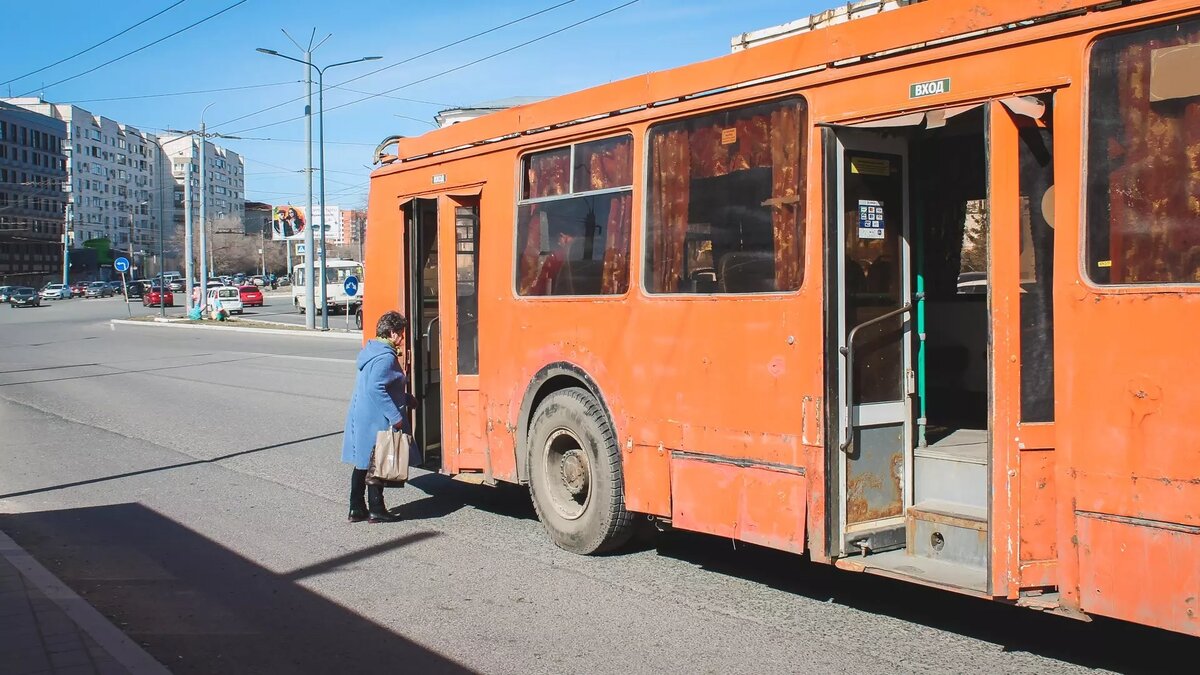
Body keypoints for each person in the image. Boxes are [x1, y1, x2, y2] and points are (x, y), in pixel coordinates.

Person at [341, 311, 413, 523]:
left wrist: (407, 399)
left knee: (363, 462)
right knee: (377, 462)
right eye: (400, 333)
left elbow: (382, 385)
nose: (401, 338)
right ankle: (376, 510)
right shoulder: (385, 357)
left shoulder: (371, 351)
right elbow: (376, 387)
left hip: (362, 414)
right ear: (391, 333)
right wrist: (396, 417)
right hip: (375, 416)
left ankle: (356, 508)